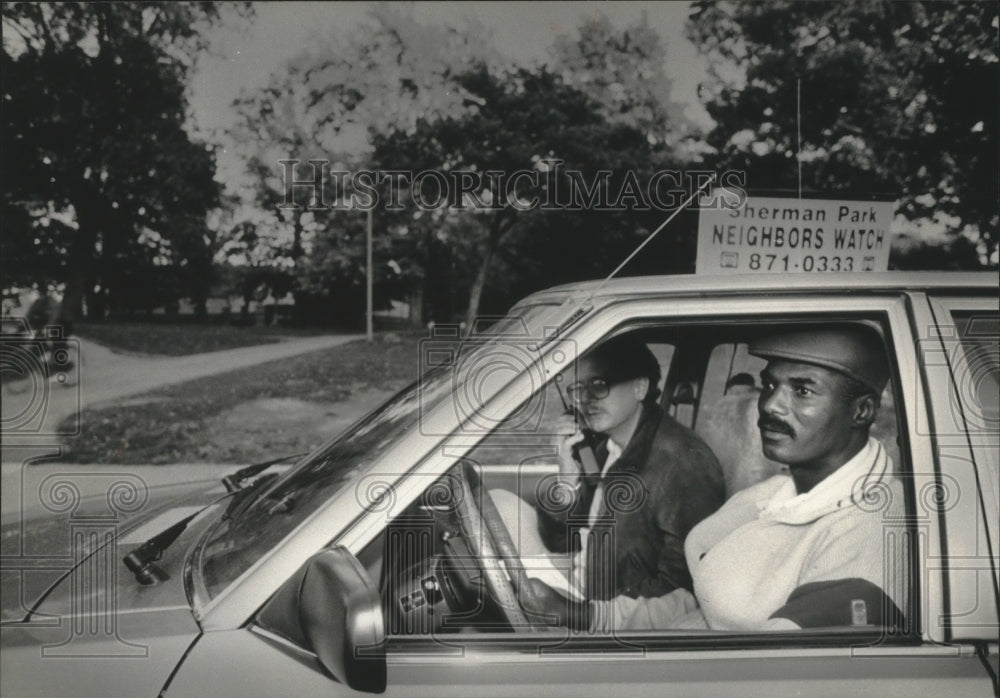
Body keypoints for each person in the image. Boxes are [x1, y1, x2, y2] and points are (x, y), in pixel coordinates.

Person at [524, 324, 908, 632]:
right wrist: (587, 616)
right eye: (770, 384)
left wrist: (594, 621)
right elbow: (696, 599)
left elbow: (771, 671)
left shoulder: (865, 536)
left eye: (803, 390)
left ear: (862, 411)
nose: (771, 403)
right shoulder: (773, 494)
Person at [495, 334, 725, 601]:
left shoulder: (683, 465)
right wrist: (567, 479)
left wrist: (587, 616)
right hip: (583, 581)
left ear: (640, 387)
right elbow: (560, 541)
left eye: (599, 386)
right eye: (578, 389)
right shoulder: (606, 447)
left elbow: (681, 590)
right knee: (498, 502)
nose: (585, 399)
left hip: (606, 612)